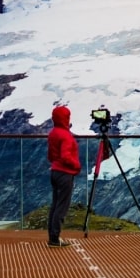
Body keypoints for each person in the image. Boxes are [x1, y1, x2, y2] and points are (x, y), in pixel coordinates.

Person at [47, 105, 81, 247]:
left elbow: (50, 155)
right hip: (65, 174)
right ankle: (55, 238)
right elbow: (66, 156)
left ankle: (52, 236)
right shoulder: (66, 136)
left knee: (55, 205)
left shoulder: (53, 133)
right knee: (62, 206)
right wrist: (76, 166)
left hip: (54, 171)